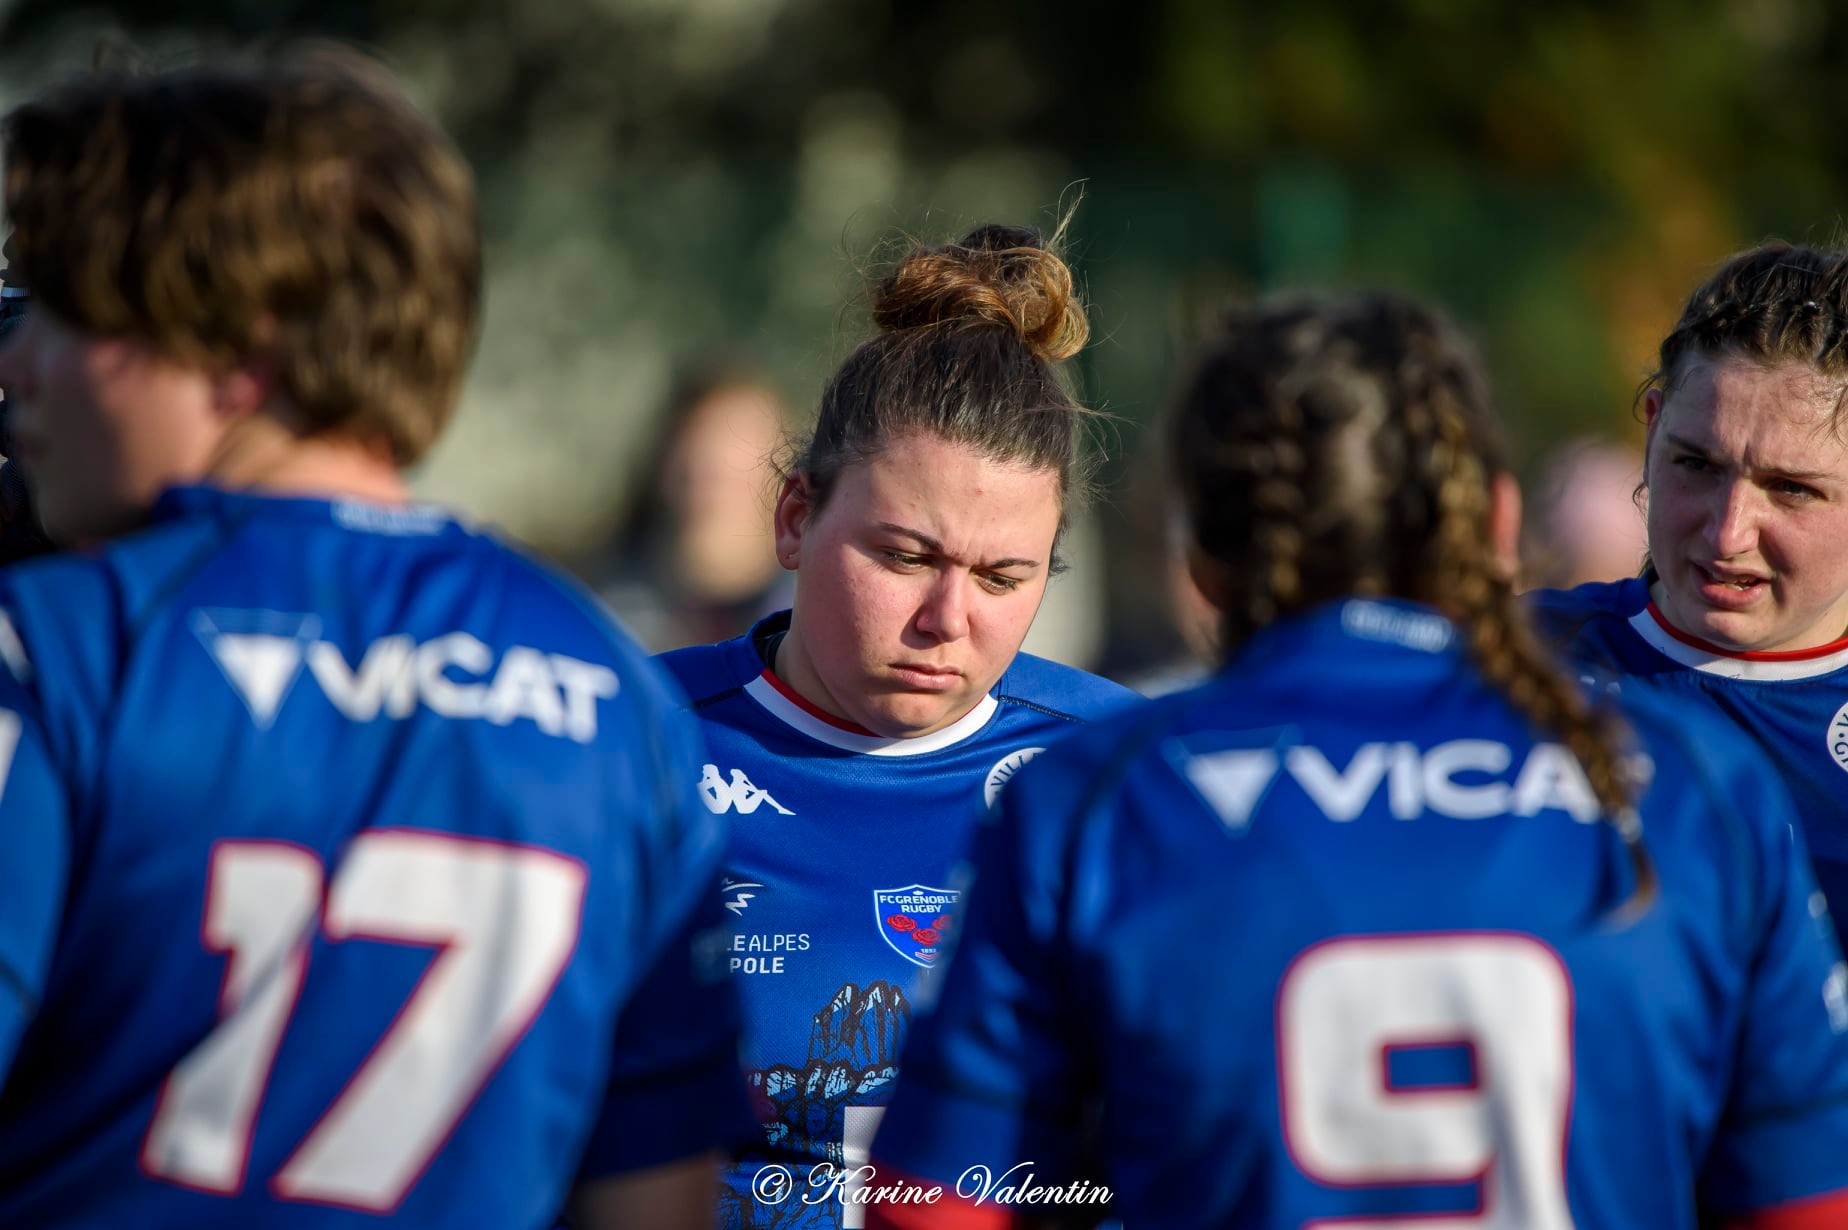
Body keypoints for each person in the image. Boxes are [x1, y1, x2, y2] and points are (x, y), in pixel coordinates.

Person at [865, 292, 1848, 1229]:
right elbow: (1810, 1208)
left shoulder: (1099, 800)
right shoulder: (1697, 787)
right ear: (1499, 525)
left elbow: (933, 1207)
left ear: (1199, 556)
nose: (1730, 527)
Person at [0, 46, 747, 1228]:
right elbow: (655, 1206)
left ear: (242, 350)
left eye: (67, 309)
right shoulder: (623, 701)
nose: (19, 361)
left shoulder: (60, 649)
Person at [654, 222, 1136, 1229]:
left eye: (1004, 576)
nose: (947, 618)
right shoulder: (635, 743)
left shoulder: (1120, 775)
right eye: (906, 557)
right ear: (795, 518)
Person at [1530, 242, 1848, 914]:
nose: (1728, 533)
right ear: (1652, 433)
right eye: (1697, 465)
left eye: (1791, 489)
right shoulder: (1512, 660)